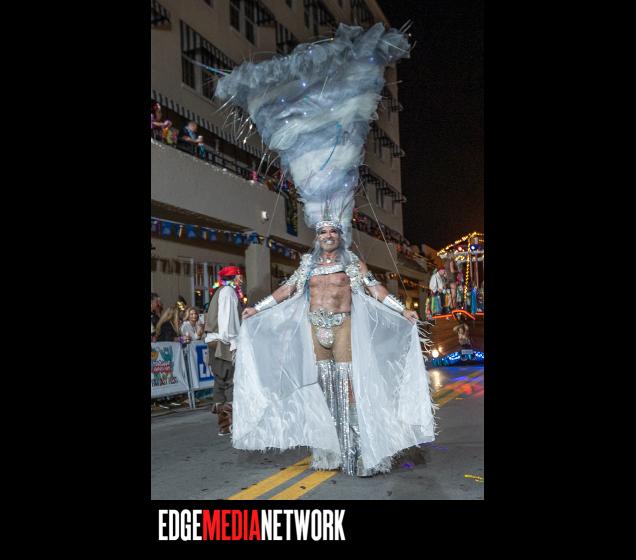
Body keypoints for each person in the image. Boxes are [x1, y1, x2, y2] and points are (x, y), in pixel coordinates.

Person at [215, 21, 435, 476]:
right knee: (323, 387)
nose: (328, 236)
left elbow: (373, 289)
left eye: (333, 232)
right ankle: (331, 449)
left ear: (341, 235)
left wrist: (403, 310)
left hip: (345, 326)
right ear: (318, 236)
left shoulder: (350, 262)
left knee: (349, 386)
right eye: (323, 232)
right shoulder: (308, 263)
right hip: (315, 328)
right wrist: (256, 309)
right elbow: (288, 291)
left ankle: (356, 450)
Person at [204, 266, 244, 436]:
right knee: (230, 381)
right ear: (234, 277)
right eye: (240, 275)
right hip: (223, 342)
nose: (242, 279)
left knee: (220, 383)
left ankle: (224, 426)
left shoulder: (221, 291)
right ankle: (231, 424)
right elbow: (227, 321)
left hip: (216, 342)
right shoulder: (228, 292)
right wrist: (232, 345)